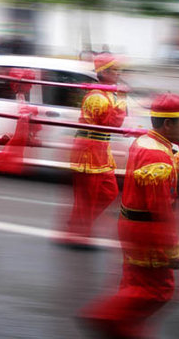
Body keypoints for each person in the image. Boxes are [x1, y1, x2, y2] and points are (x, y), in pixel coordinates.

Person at [80, 93, 179, 338]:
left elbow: (169, 178)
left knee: (136, 283)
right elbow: (161, 208)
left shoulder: (147, 142)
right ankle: (105, 317)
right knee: (159, 290)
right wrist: (172, 250)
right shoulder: (157, 155)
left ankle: (125, 328)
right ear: (168, 124)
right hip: (147, 231)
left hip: (132, 226)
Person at [59, 53, 127, 247]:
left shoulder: (107, 93)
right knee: (87, 196)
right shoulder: (97, 97)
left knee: (109, 191)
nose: (119, 73)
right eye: (115, 69)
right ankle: (79, 233)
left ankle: (78, 226)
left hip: (100, 151)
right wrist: (122, 100)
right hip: (89, 151)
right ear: (104, 73)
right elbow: (112, 123)